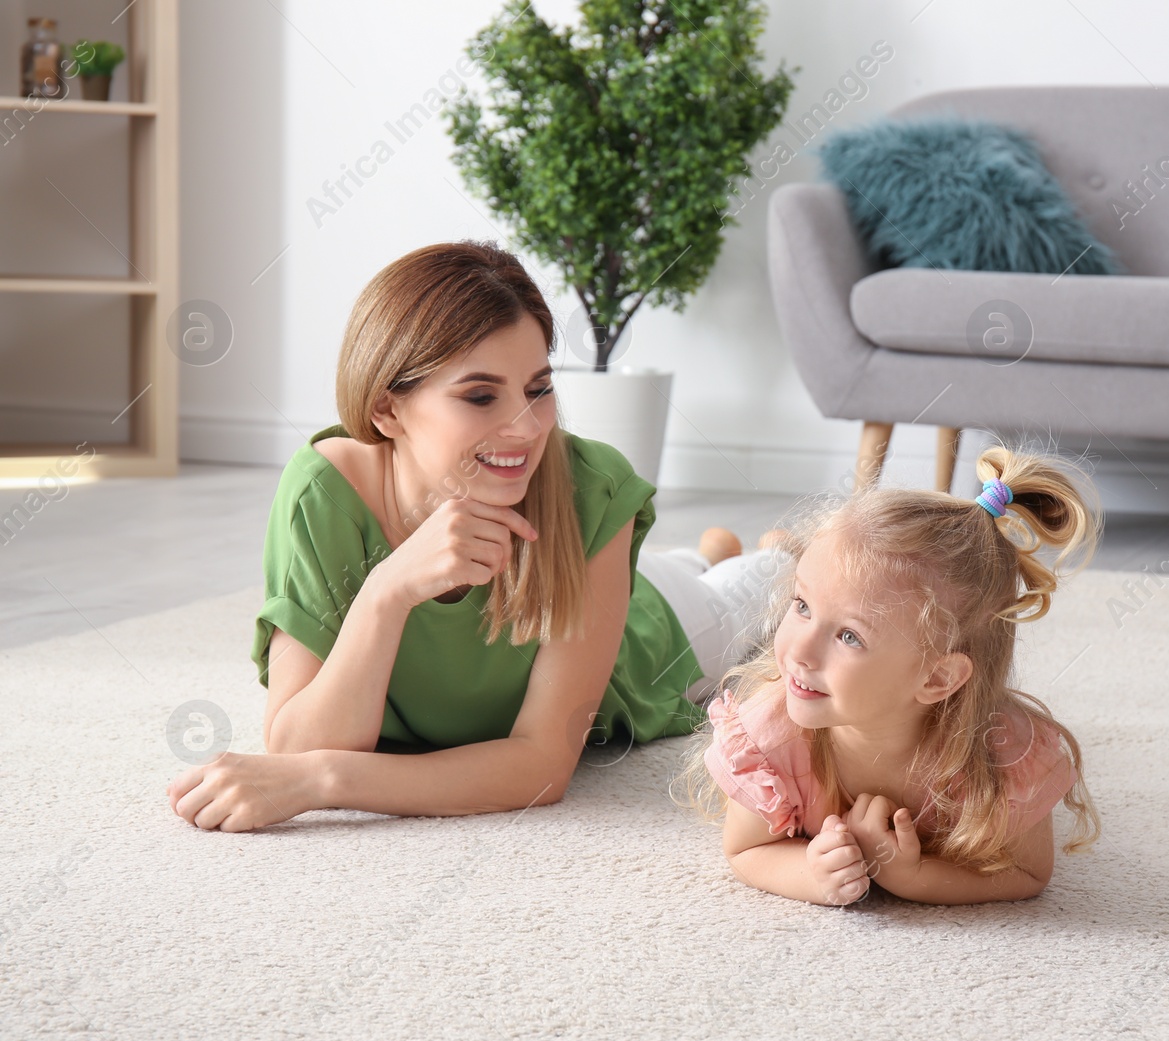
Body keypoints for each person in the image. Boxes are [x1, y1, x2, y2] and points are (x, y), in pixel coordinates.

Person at [166, 240, 781, 832]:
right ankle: (708, 552)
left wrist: (325, 781)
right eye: (481, 395)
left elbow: (540, 767)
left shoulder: (593, 490)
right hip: (627, 587)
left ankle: (746, 555)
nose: (525, 428)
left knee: (773, 588)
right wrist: (388, 590)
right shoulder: (323, 493)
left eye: (538, 389)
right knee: (704, 565)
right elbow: (295, 742)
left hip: (648, 634)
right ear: (387, 410)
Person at [676, 448, 1105, 905]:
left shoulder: (1002, 758)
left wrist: (914, 876)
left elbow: (1027, 872)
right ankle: (760, 554)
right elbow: (747, 849)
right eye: (801, 606)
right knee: (726, 584)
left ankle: (765, 552)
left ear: (937, 679)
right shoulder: (772, 737)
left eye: (849, 637)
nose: (799, 652)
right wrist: (809, 874)